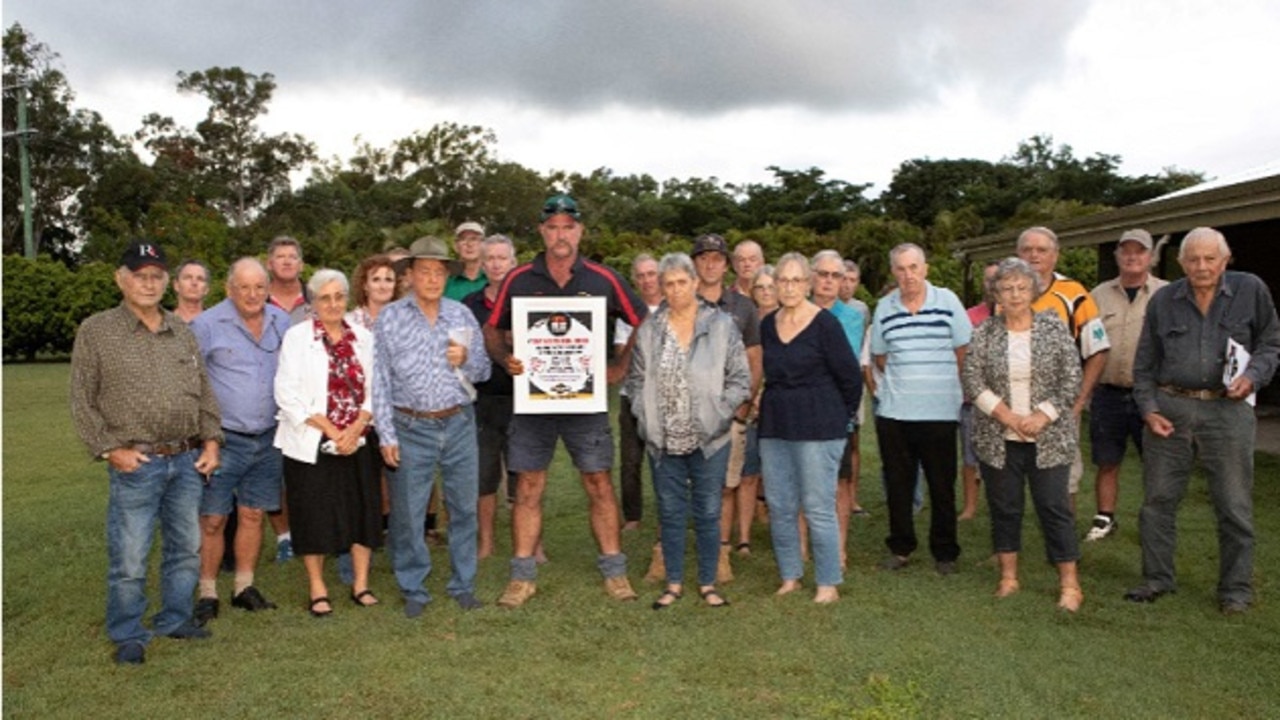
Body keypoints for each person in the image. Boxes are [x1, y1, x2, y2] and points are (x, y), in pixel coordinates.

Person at [484, 194, 647, 608]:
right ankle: (522, 576)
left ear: (580, 231)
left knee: (598, 482)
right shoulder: (519, 278)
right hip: (533, 403)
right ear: (542, 231)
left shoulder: (603, 279)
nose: (560, 234)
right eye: (552, 227)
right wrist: (507, 359)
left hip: (586, 403)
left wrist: (620, 367)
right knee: (529, 486)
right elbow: (491, 330)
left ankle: (615, 570)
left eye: (568, 227)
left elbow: (644, 321)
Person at [71, 241, 222, 664]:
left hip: (187, 459)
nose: (149, 283)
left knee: (186, 547)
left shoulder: (181, 331)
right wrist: (108, 451)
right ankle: (128, 632)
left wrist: (211, 441)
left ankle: (174, 618)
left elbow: (204, 392)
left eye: (156, 275)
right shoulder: (97, 331)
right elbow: (82, 401)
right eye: (140, 275)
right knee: (131, 554)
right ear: (121, 278)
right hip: (136, 462)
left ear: (166, 282)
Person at [1126, 227, 1280, 614]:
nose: (1202, 266)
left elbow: (1270, 343)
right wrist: (1149, 410)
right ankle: (1157, 578)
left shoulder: (1251, 290)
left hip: (1227, 412)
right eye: (1193, 259)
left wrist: (1253, 377)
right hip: (1171, 410)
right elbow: (1144, 364)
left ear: (1225, 260)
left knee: (1233, 503)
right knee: (1158, 500)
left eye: (1210, 258)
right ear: (1181, 263)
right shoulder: (1164, 300)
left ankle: (1236, 591)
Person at [374, 236, 491, 617]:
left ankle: (463, 584)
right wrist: (386, 434)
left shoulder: (460, 315)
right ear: (408, 275)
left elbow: (484, 372)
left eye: (439, 272)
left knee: (463, 508)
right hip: (410, 426)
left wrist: (467, 357)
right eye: (424, 271)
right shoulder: (390, 318)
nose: (432, 278)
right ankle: (414, 588)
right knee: (408, 513)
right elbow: (379, 378)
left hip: (457, 422)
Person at [627, 252, 752, 609]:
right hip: (663, 440)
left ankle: (709, 583)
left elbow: (740, 379)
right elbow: (636, 381)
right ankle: (674, 583)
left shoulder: (722, 325)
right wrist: (644, 415)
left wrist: (719, 414)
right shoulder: (650, 330)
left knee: (709, 510)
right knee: (669, 510)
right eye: (669, 283)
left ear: (696, 283)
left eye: (683, 282)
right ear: (661, 288)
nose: (677, 289)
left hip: (709, 439)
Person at [962, 257, 1085, 611]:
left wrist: (1041, 416)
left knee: (1054, 506)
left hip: (1048, 437)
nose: (1014, 295)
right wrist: (1007, 416)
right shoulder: (985, 331)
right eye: (1006, 288)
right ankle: (1008, 578)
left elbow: (1071, 377)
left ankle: (1070, 585)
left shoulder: (1054, 327)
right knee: (1005, 507)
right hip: (998, 437)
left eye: (1021, 287)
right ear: (995, 292)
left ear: (1034, 290)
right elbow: (972, 378)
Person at [189, 259, 293, 622]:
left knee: (252, 513)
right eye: (244, 287)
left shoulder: (282, 321)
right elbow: (193, 383)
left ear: (268, 288)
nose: (252, 295)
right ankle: (207, 592)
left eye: (259, 287)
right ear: (229, 289)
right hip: (223, 439)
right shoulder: (206, 325)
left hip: (268, 437)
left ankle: (243, 587)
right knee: (214, 518)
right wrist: (204, 438)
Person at [274, 269, 381, 617]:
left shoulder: (364, 337)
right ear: (313, 302)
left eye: (339, 296)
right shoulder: (296, 337)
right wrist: (334, 432)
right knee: (313, 513)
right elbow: (286, 393)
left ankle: (361, 583)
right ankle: (317, 587)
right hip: (312, 441)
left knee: (362, 510)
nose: (333, 304)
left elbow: (377, 388)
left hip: (359, 441)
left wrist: (358, 426)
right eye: (325, 297)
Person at [759, 252, 862, 603]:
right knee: (780, 504)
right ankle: (790, 575)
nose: (788, 287)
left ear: (808, 283)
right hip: (775, 425)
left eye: (795, 280)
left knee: (818, 506)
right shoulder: (767, 325)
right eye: (782, 280)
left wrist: (840, 420)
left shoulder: (825, 324)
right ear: (773, 285)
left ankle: (828, 582)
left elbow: (851, 379)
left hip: (820, 427)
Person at [870, 243, 970, 575]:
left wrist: (943, 388)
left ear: (925, 268)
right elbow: (880, 357)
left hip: (940, 411)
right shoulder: (884, 306)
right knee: (899, 485)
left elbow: (962, 352)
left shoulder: (948, 301)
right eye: (900, 269)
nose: (908, 275)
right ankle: (900, 548)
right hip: (895, 412)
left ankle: (944, 552)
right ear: (893, 272)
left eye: (914, 267)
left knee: (942, 486)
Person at [1016, 226, 1111, 505]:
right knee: (1011, 477)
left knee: (1064, 478)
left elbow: (1099, 350)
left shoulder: (1074, 293)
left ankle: (1063, 543)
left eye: (1041, 250)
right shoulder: (1005, 293)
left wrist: (1079, 401)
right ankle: (1011, 544)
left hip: (1059, 404)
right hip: (1015, 405)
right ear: (1017, 254)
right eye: (1027, 249)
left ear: (1055, 256)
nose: (1034, 255)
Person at [1085, 229, 1167, 541]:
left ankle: (1155, 521)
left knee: (1156, 462)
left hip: (1153, 396)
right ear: (1117, 256)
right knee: (1107, 460)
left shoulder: (1167, 293)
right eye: (1126, 251)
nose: (1132, 257)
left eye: (1140, 251)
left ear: (1151, 257)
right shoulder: (1098, 295)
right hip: (1107, 392)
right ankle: (1104, 518)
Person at [691, 233, 762, 583]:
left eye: (716, 258)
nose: (710, 263)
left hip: (728, 411)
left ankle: (719, 555)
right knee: (678, 483)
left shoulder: (743, 307)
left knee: (726, 484)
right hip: (686, 413)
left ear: (726, 264)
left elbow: (754, 358)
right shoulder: (680, 302)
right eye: (703, 257)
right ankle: (665, 552)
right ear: (694, 263)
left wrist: (743, 405)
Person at [462, 234, 520, 559]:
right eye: (491, 259)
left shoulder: (528, 300)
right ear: (483, 264)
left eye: (503, 258)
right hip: (482, 401)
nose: (497, 263)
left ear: (513, 263)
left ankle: (530, 544)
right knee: (484, 478)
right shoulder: (470, 305)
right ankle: (486, 542)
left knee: (524, 475)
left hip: (523, 399)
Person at [810, 250, 865, 568]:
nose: (829, 281)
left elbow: (845, 364)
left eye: (836, 276)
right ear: (812, 276)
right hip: (801, 412)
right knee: (805, 483)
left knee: (839, 482)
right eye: (823, 274)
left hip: (836, 411)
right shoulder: (794, 310)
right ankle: (803, 547)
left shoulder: (853, 317)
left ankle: (839, 549)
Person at [266, 235, 310, 563]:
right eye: (279, 256)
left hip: (310, 402)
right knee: (273, 472)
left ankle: (312, 530)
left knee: (308, 471)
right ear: (270, 263)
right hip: (264, 398)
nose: (286, 261)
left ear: (301, 264)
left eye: (292, 257)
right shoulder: (255, 298)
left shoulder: (315, 299)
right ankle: (284, 536)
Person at [616, 253, 663, 534]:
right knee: (631, 459)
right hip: (631, 394)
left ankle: (665, 515)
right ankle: (632, 516)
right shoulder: (627, 312)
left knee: (664, 459)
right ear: (635, 279)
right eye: (641, 275)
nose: (647, 280)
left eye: (651, 274)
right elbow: (621, 352)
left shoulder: (674, 307)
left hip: (665, 397)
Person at [960, 260, 1000, 520]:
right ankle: (970, 507)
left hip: (1005, 403)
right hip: (972, 400)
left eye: (997, 279)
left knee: (1002, 461)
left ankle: (1000, 507)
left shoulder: (1017, 315)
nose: (992, 285)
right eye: (987, 280)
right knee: (969, 456)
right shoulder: (969, 317)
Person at [347, 253, 401, 330]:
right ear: (365, 285)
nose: (383, 286)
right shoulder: (349, 323)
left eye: (388, 280)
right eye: (376, 280)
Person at [445, 221, 488, 300]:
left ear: (483, 245)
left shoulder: (493, 278)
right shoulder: (446, 278)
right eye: (463, 239)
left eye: (474, 239)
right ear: (456, 246)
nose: (469, 244)